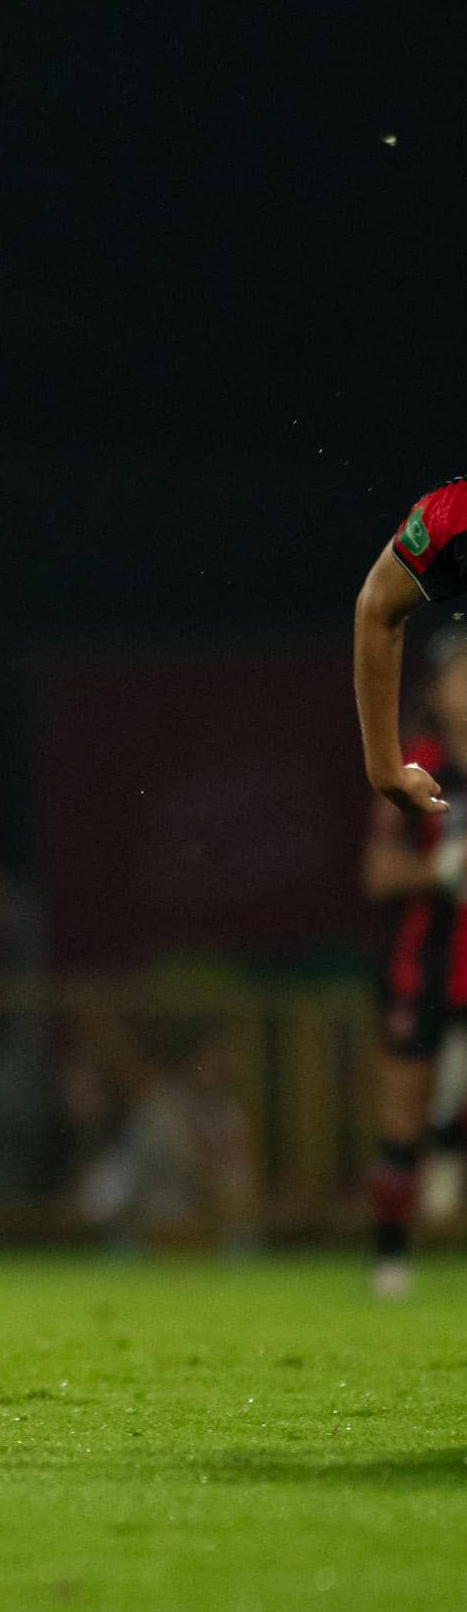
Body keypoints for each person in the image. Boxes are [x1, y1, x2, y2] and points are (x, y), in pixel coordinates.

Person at [350, 484, 467, 1295]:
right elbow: (378, 871)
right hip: (427, 957)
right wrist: (444, 870)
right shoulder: (429, 764)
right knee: (402, 1116)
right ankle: (389, 1262)